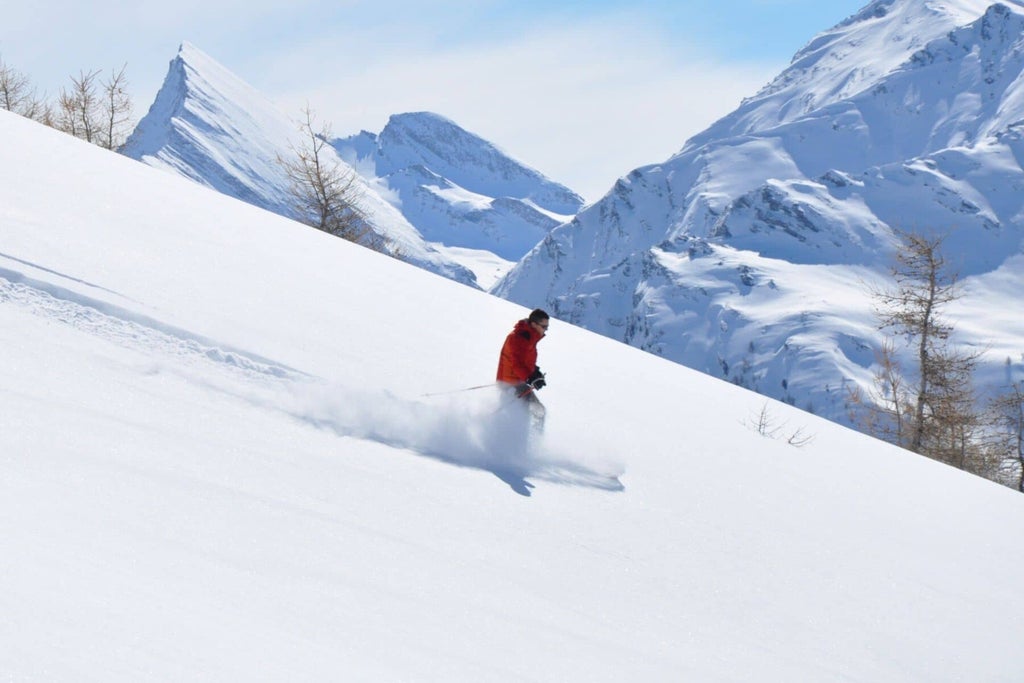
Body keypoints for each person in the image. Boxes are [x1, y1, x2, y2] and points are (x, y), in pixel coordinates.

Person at [496, 309, 549, 412]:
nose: (545, 330)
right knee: (538, 411)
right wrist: (531, 378)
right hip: (511, 383)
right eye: (544, 327)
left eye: (547, 327)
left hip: (518, 380)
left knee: (536, 411)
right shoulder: (519, 338)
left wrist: (535, 372)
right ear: (534, 324)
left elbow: (525, 360)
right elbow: (517, 365)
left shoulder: (529, 337)